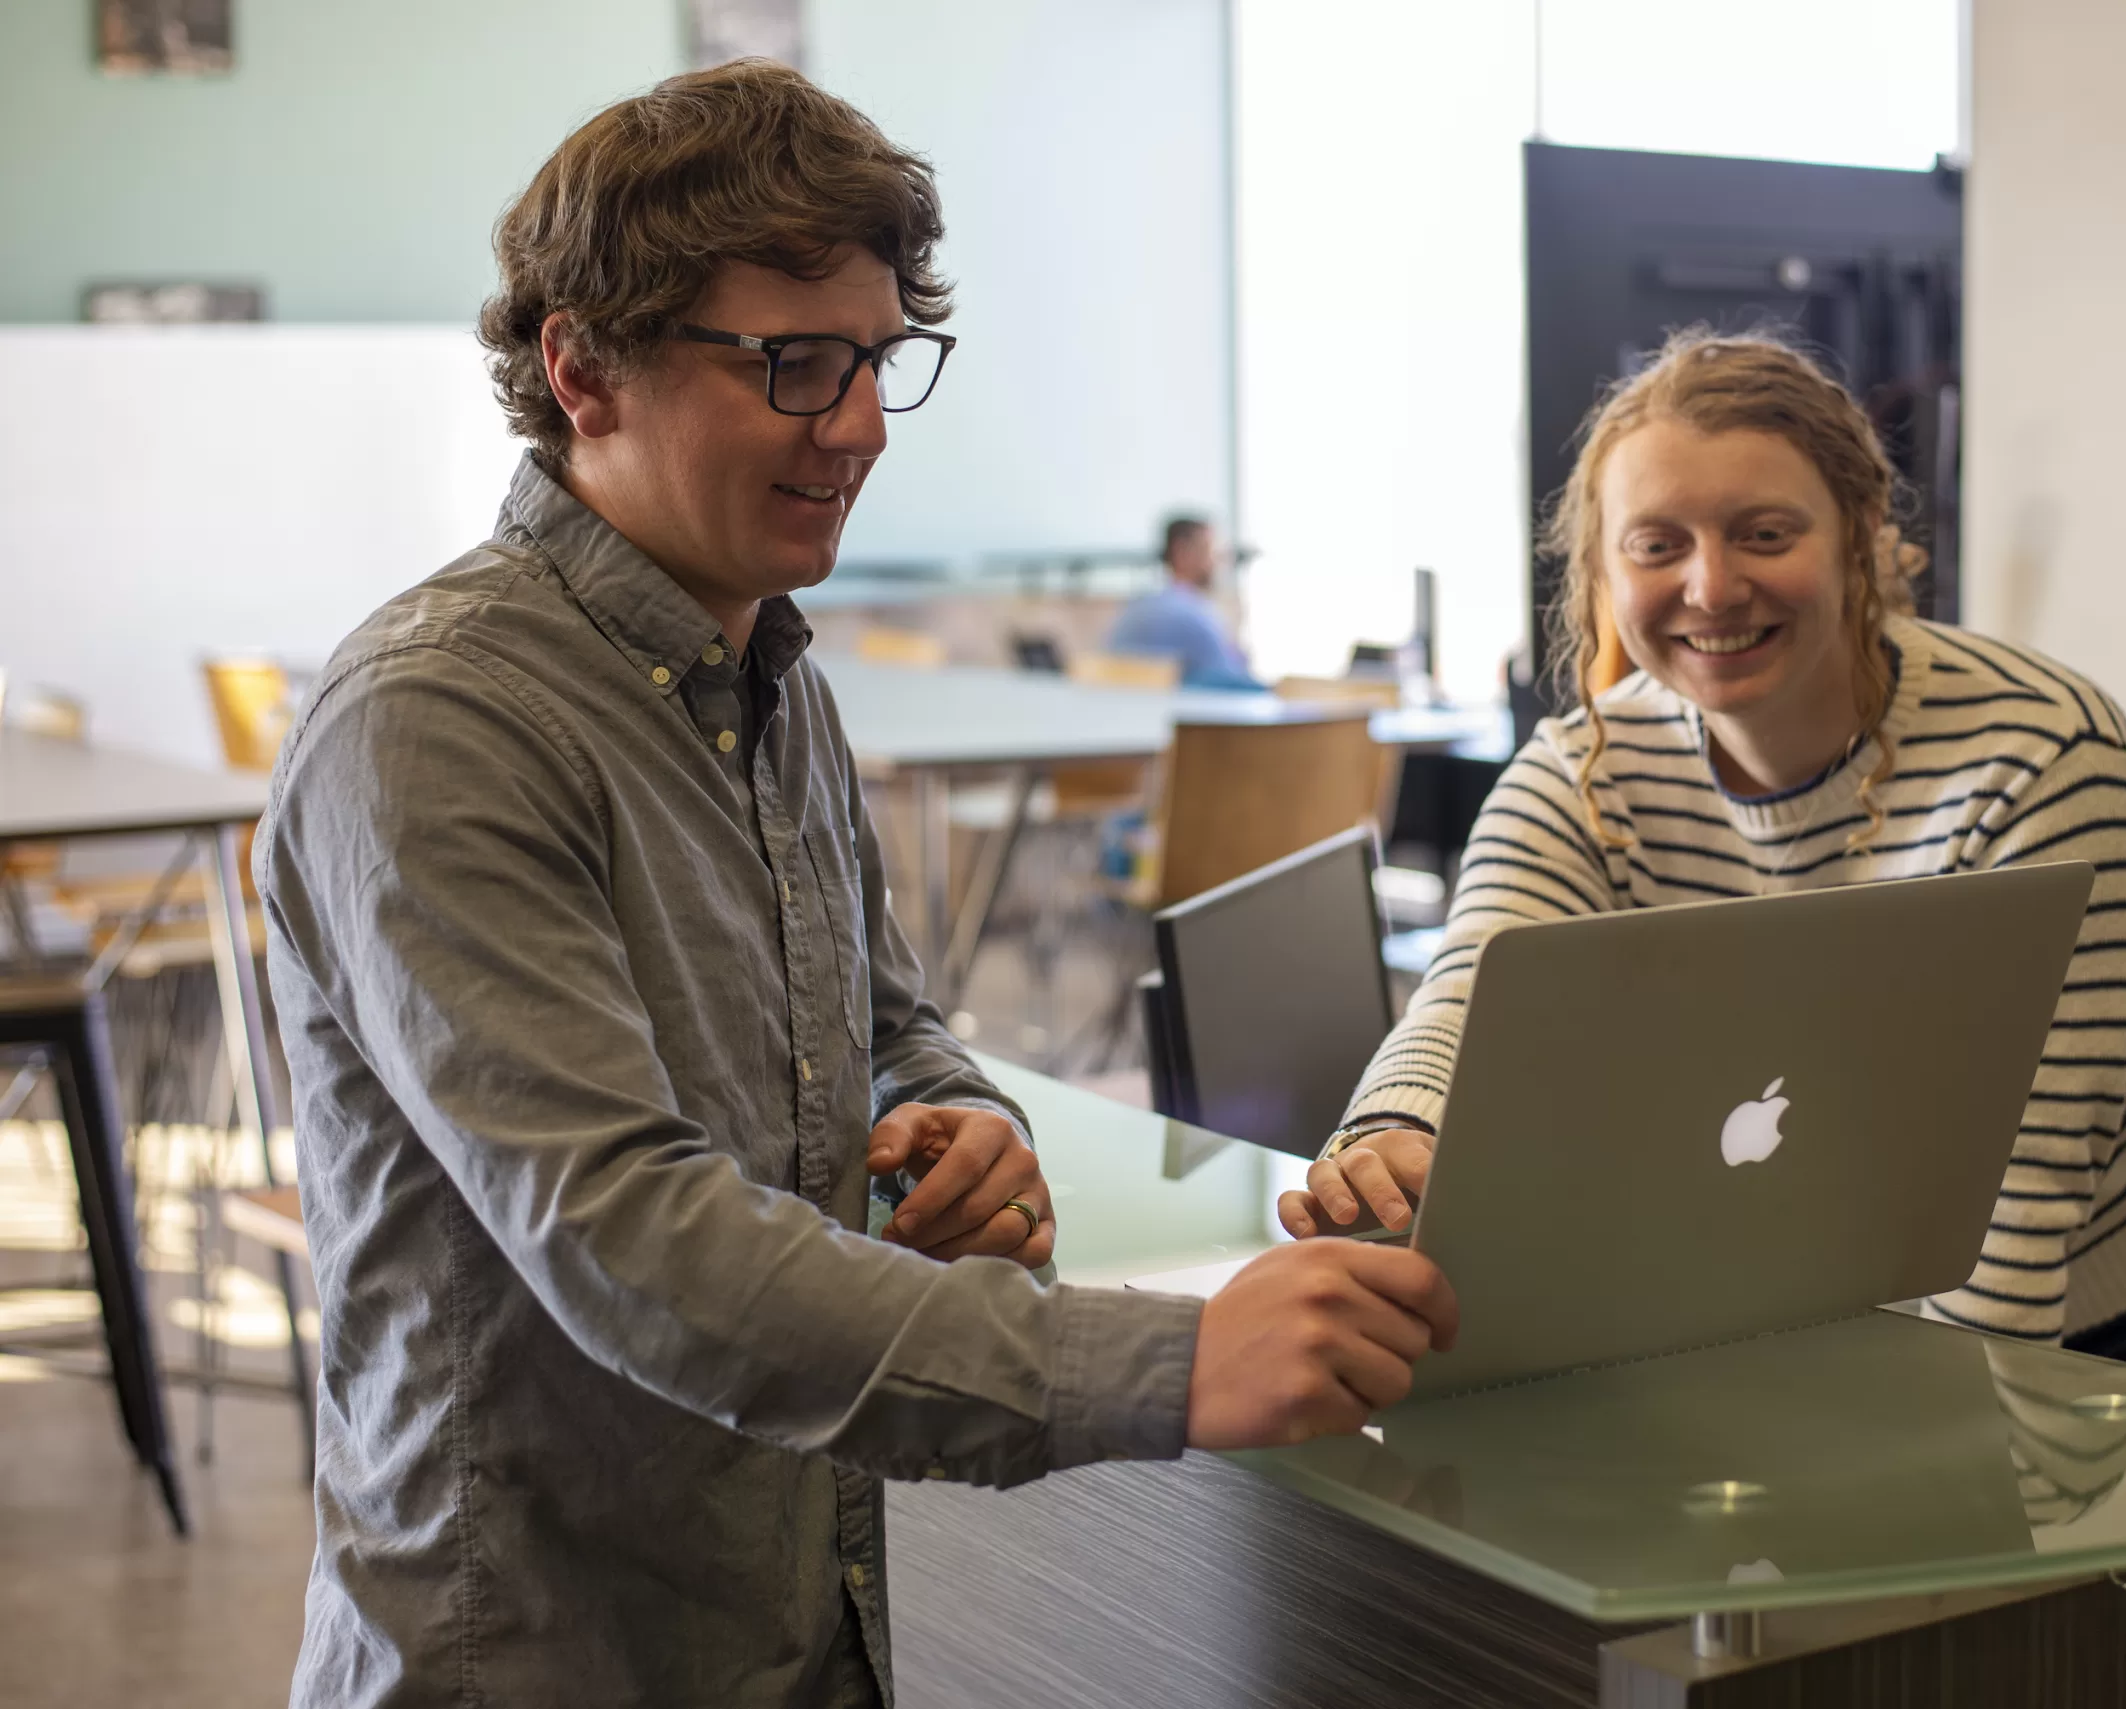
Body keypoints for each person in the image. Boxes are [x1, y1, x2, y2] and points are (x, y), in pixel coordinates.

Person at [256, 62, 1455, 1709]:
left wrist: (961, 1119)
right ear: (583, 370)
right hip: (537, 1652)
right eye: (795, 365)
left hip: (803, 1617)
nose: (864, 425)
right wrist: (1171, 1360)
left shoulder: (768, 668)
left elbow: (886, 1022)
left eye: (880, 361)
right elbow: (629, 1242)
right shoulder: (436, 715)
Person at [1278, 329, 2126, 1592]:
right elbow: (1473, 983)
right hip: (1836, 1322)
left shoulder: (2044, 756)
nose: (1711, 586)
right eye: (1657, 543)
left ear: (1862, 536)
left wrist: (1923, 1545)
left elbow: (2018, 1212)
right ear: (1601, 570)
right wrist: (1390, 1133)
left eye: (1763, 531)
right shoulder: (1584, 772)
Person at [1103, 514, 1259, 688]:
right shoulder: (1192, 615)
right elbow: (1233, 681)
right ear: (1182, 552)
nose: (1219, 562)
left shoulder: (1135, 609)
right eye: (1212, 551)